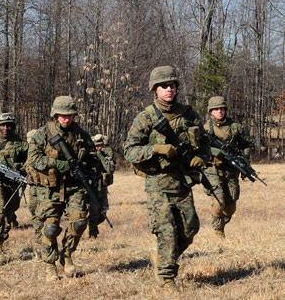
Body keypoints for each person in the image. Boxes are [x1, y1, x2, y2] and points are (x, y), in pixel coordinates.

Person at [124, 65, 210, 290]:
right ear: (155, 89)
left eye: (172, 85)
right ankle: (167, 278)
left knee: (190, 229)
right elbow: (129, 151)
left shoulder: (189, 114)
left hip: (182, 181)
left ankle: (163, 259)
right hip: (157, 183)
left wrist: (201, 158)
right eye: (164, 86)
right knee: (167, 231)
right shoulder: (146, 117)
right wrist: (155, 150)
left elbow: (205, 143)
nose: (169, 89)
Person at [28, 96, 97, 281]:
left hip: (74, 187)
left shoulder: (81, 135)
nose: (66, 119)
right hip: (49, 188)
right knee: (50, 228)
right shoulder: (43, 134)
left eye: (70, 115)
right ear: (55, 115)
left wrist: (86, 170)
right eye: (62, 115)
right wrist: (58, 164)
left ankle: (66, 254)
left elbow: (92, 159)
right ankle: (49, 265)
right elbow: (33, 160)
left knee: (80, 222)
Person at [203, 96, 251, 239]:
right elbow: (198, 148)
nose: (220, 111)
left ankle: (222, 223)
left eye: (222, 108)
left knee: (230, 206)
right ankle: (218, 232)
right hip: (212, 169)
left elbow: (245, 145)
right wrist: (214, 152)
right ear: (210, 111)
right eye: (216, 109)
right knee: (219, 201)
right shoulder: (204, 129)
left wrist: (244, 160)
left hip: (231, 169)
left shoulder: (235, 127)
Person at [0, 112, 28, 263]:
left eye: (9, 125)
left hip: (12, 183)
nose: (6, 128)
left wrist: (19, 169)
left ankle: (2, 237)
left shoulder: (20, 143)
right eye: (3, 125)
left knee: (10, 213)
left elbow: (29, 161)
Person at [87, 134, 115, 238]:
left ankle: (89, 225)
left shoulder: (104, 155)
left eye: (100, 146)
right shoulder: (88, 157)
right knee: (94, 211)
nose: (98, 148)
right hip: (91, 187)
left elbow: (110, 169)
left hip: (101, 187)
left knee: (103, 213)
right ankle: (92, 234)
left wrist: (101, 157)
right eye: (96, 146)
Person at [24, 129, 43, 260]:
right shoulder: (27, 153)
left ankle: (43, 240)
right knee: (34, 212)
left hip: (44, 187)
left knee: (44, 214)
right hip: (33, 188)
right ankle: (39, 236)